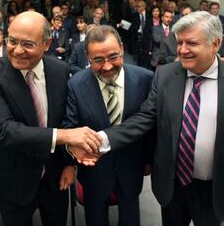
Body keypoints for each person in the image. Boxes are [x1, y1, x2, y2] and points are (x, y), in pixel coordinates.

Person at [70, 11, 224, 226]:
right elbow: (145, 118)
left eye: (191, 43)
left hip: (217, 186)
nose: (182, 50)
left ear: (216, 43)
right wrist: (100, 140)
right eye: (179, 42)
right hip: (173, 185)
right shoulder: (165, 76)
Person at [0, 11, 102, 226]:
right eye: (12, 41)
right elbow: (5, 131)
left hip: (54, 177)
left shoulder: (59, 70)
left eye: (28, 44)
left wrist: (70, 163)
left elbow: (64, 118)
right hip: (13, 177)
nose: (17, 50)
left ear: (46, 44)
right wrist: (65, 136)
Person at [63, 25, 155, 226]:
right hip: (94, 171)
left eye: (113, 57)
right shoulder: (75, 85)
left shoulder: (145, 79)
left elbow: (149, 125)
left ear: (122, 49)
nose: (106, 66)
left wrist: (149, 159)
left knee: (131, 220)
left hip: (132, 167)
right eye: (98, 60)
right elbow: (70, 126)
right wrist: (72, 156)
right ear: (87, 57)